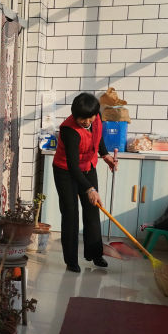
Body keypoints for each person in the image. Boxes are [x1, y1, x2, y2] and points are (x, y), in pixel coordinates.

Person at [52, 92, 118, 272]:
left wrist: (105, 155)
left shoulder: (96, 117)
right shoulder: (69, 130)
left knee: (92, 210)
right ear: (74, 115)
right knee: (71, 214)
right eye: (82, 119)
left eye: (90, 118)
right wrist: (90, 189)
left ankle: (95, 254)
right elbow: (73, 167)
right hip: (66, 171)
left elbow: (98, 136)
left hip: (88, 167)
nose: (87, 122)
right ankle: (71, 260)